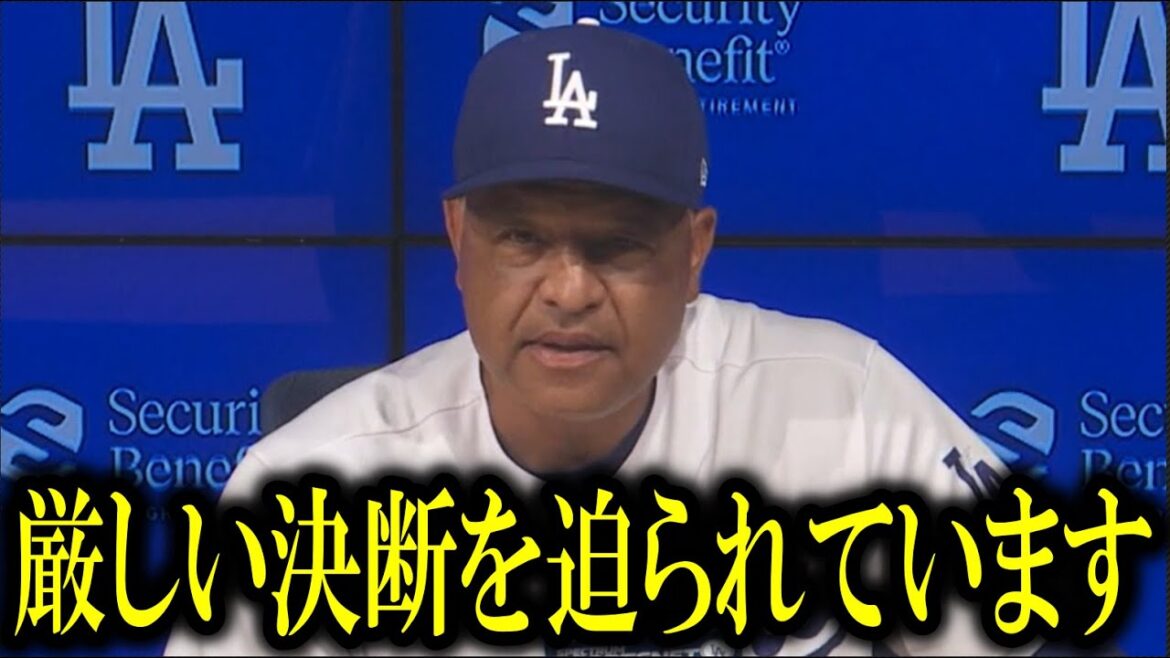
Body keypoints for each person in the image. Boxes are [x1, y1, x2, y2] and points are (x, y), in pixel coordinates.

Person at [164, 20, 1044, 657]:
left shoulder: (843, 408)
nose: (569, 291)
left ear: (693, 251)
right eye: (522, 239)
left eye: (617, 245)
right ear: (458, 238)